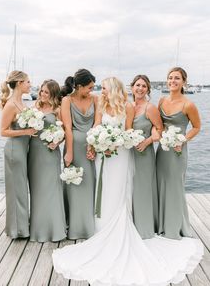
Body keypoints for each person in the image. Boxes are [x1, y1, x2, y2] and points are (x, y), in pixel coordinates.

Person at [52, 76, 203, 286]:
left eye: (104, 88)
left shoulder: (128, 107)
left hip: (120, 154)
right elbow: (96, 125)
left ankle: (121, 223)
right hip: (103, 154)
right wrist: (94, 143)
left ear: (113, 89)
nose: (101, 91)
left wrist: (117, 142)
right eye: (100, 88)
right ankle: (102, 226)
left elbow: (128, 131)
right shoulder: (100, 104)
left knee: (118, 188)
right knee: (102, 189)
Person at [156, 67, 201, 240]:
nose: (172, 81)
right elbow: (158, 125)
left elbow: (196, 127)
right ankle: (160, 223)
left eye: (177, 78)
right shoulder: (161, 101)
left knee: (174, 187)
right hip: (162, 150)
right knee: (160, 184)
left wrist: (182, 140)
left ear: (184, 82)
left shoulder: (188, 104)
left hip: (177, 152)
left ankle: (174, 226)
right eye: (170, 78)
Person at [28, 79, 67, 242]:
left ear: (53, 94)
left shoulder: (58, 110)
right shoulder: (33, 108)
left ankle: (55, 228)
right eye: (42, 91)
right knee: (37, 188)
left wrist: (56, 141)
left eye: (47, 92)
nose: (43, 94)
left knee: (52, 188)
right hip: (34, 152)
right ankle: (38, 227)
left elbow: (65, 131)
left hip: (50, 153)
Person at [0, 70, 37, 238]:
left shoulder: (21, 102)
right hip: (14, 150)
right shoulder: (10, 105)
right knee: (16, 189)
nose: (30, 84)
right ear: (20, 83)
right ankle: (17, 229)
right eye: (28, 82)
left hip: (23, 149)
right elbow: (3, 131)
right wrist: (26, 132)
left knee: (21, 189)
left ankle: (22, 225)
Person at [61, 68, 97, 239]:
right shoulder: (67, 100)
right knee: (74, 184)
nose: (92, 90)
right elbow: (67, 127)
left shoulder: (95, 99)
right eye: (89, 87)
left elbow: (97, 123)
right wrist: (69, 152)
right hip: (73, 146)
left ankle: (88, 224)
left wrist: (93, 145)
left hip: (90, 146)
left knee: (89, 183)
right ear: (79, 86)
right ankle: (73, 225)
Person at [131, 75, 163, 239]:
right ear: (132, 87)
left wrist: (148, 140)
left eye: (144, 86)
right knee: (130, 189)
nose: (140, 88)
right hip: (129, 154)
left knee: (142, 189)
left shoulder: (150, 108)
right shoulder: (128, 106)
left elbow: (159, 129)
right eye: (138, 85)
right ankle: (130, 225)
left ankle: (144, 228)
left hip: (144, 154)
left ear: (148, 90)